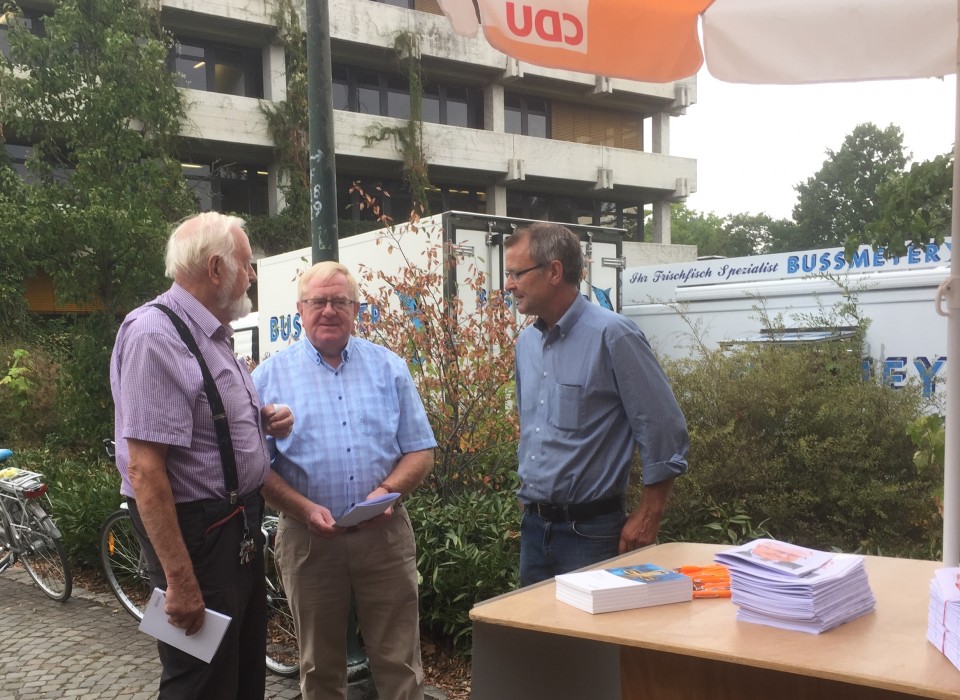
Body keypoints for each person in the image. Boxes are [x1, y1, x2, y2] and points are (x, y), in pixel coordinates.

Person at [110, 212, 293, 699]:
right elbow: (145, 470)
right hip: (196, 534)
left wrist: (259, 420)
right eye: (247, 264)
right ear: (216, 268)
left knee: (242, 671)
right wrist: (180, 582)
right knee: (201, 680)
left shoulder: (214, 334)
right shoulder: (156, 335)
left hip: (236, 525)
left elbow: (201, 425)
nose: (251, 275)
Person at [252, 260, 437, 700]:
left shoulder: (388, 368)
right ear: (300, 308)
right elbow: (257, 468)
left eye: (340, 301)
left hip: (385, 534)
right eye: (318, 301)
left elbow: (421, 450)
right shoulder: (267, 378)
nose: (329, 310)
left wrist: (388, 491)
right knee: (319, 667)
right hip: (308, 540)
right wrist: (302, 508)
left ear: (357, 308)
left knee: (400, 661)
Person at [504, 222, 689, 587]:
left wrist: (650, 512)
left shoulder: (614, 335)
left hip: (591, 536)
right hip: (534, 531)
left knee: (592, 644)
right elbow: (534, 432)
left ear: (554, 271)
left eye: (516, 273)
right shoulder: (526, 343)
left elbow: (664, 429)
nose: (508, 284)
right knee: (535, 642)